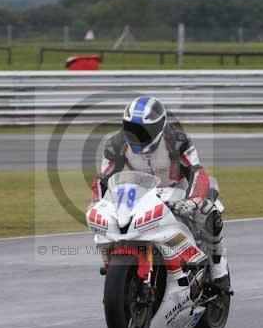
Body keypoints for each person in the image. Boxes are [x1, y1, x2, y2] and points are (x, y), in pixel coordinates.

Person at [91, 95, 230, 290]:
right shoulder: (116, 144)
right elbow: (104, 178)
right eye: (132, 129)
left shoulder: (177, 141)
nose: (137, 135)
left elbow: (197, 172)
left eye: (144, 131)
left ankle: (218, 264)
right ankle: (115, 266)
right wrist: (98, 202)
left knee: (209, 210)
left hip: (177, 190)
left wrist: (193, 201)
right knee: (110, 225)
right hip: (141, 191)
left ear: (159, 126)